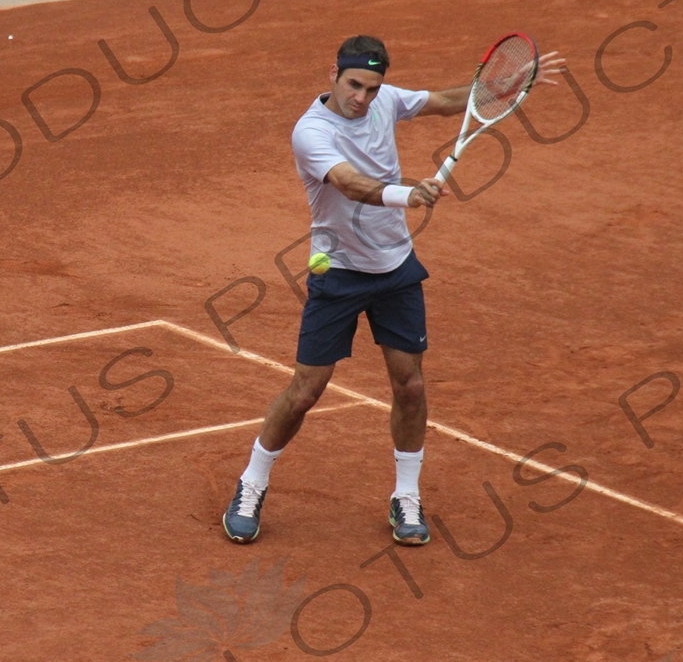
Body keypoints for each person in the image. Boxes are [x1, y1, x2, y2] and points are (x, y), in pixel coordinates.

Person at [222, 33, 564, 546]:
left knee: (410, 386)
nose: (362, 97)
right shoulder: (311, 131)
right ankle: (252, 483)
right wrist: (410, 194)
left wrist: (505, 86)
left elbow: (452, 102)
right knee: (305, 393)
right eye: (353, 84)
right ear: (332, 75)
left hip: (396, 270)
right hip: (337, 273)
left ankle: (406, 496)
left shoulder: (387, 101)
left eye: (372, 87)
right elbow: (349, 183)